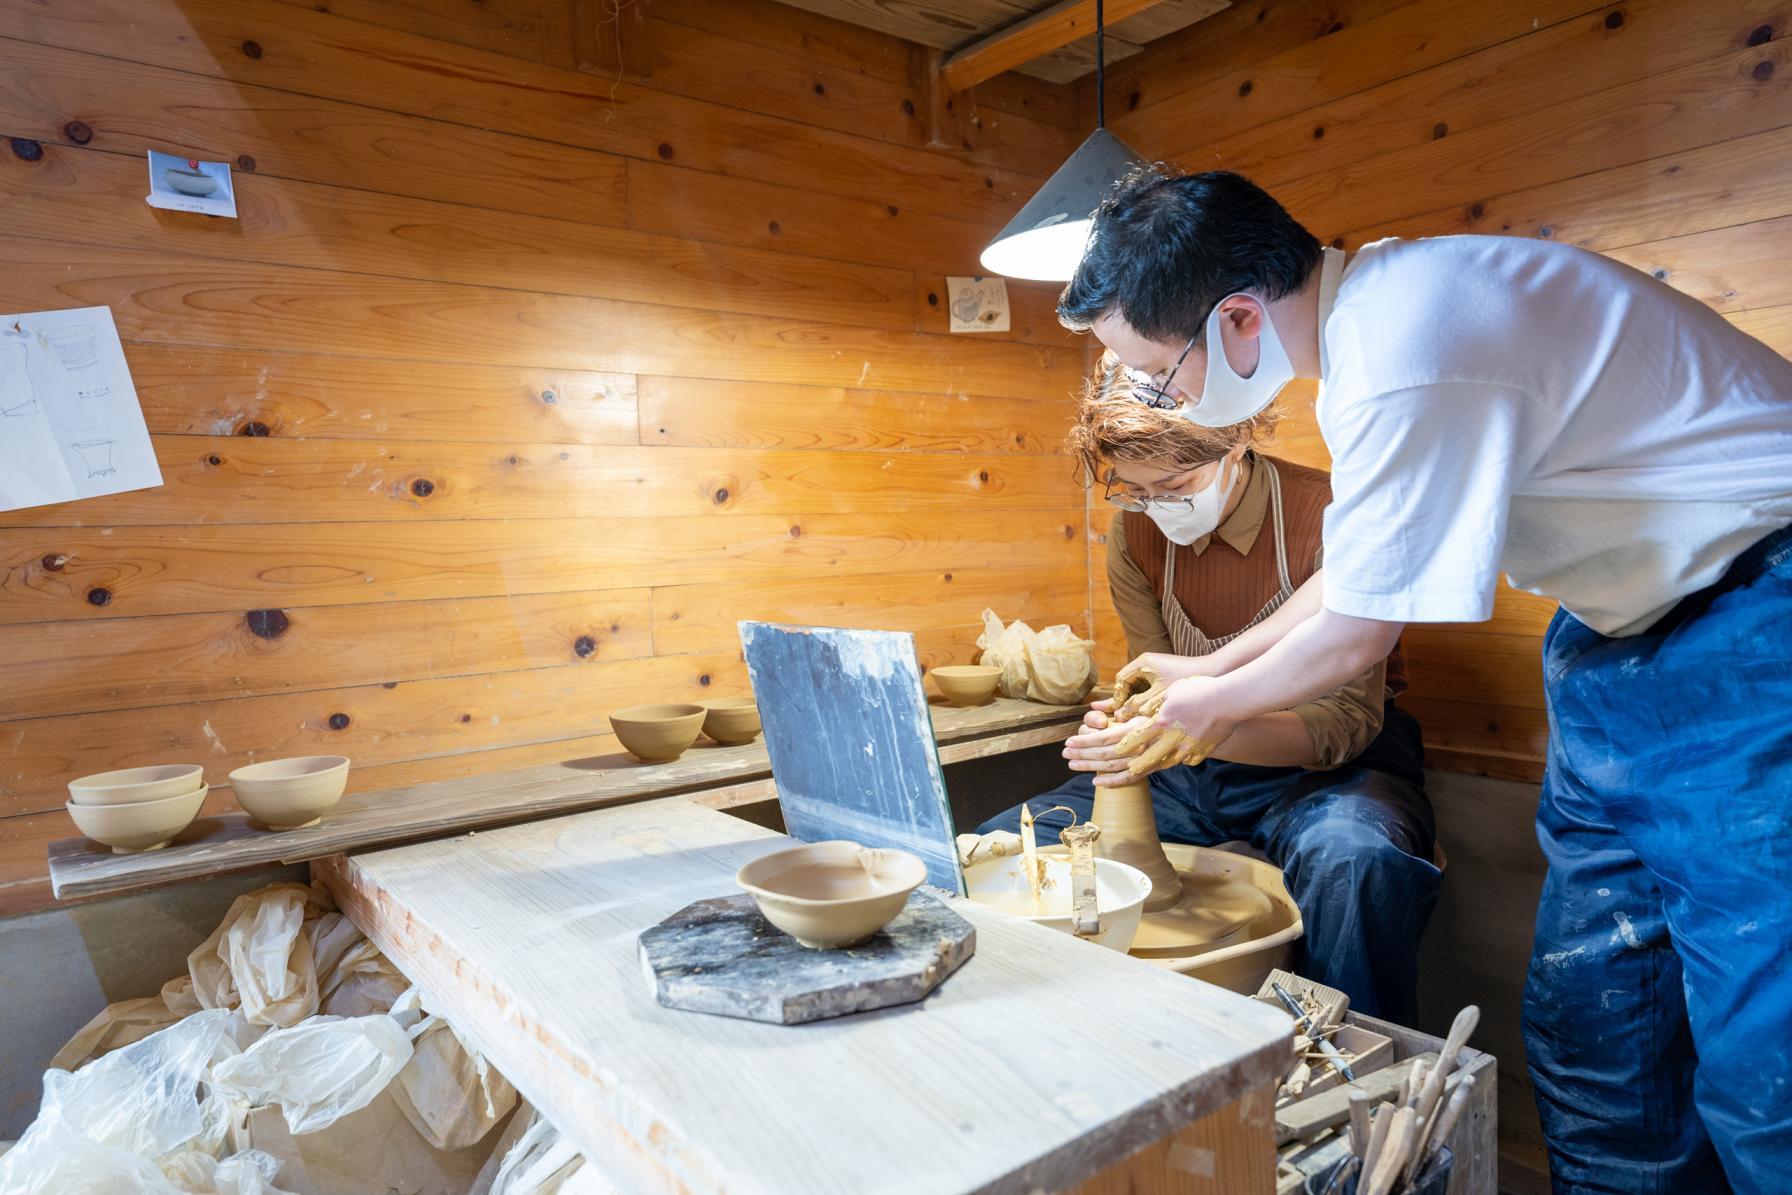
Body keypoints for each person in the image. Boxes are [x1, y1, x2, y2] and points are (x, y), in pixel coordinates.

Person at [1058, 167, 1792, 1194]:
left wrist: (1207, 706)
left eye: (1155, 371)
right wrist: (1209, 663)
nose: (1163, 398)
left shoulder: (1407, 342)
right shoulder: (1375, 331)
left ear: (1234, 319)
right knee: (1598, 1022)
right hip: (1617, 640)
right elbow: (1356, 574)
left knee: (1768, 1047)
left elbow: (1361, 629)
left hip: (1758, 614)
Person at [977, 358, 1439, 1022]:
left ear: (1236, 439)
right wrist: (1123, 732)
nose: (1157, 505)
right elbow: (1156, 677)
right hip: (1189, 760)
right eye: (1134, 489)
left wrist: (1200, 726)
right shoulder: (1135, 533)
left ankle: (1349, 1071)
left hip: (1326, 764)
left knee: (1354, 860)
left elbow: (1344, 724)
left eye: (1175, 483)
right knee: (1004, 845)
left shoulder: (1332, 514)